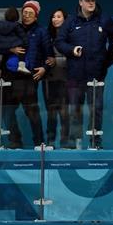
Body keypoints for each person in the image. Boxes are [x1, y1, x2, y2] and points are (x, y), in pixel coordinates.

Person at [55, 0, 113, 149]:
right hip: (75, 74)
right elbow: (59, 42)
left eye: (93, 0)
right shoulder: (70, 21)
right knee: (75, 109)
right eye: (87, 0)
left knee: (96, 109)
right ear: (80, 2)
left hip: (96, 75)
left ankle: (95, 141)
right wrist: (71, 50)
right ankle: (76, 141)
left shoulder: (104, 20)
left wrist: (105, 62)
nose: (91, 3)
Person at [0, 0, 52, 148]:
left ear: (36, 16)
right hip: (10, 76)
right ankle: (15, 141)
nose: (26, 16)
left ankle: (39, 142)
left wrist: (44, 68)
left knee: (32, 113)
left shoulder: (41, 31)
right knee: (7, 112)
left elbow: (50, 55)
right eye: (25, 13)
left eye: (30, 13)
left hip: (29, 77)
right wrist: (11, 49)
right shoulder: (14, 28)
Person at [44, 9, 69, 149]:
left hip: (66, 78)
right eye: (53, 16)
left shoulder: (71, 36)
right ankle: (50, 141)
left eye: (59, 16)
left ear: (65, 19)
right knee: (51, 112)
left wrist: (56, 61)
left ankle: (66, 142)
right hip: (50, 79)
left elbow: (73, 56)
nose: (55, 19)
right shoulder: (47, 36)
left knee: (65, 112)